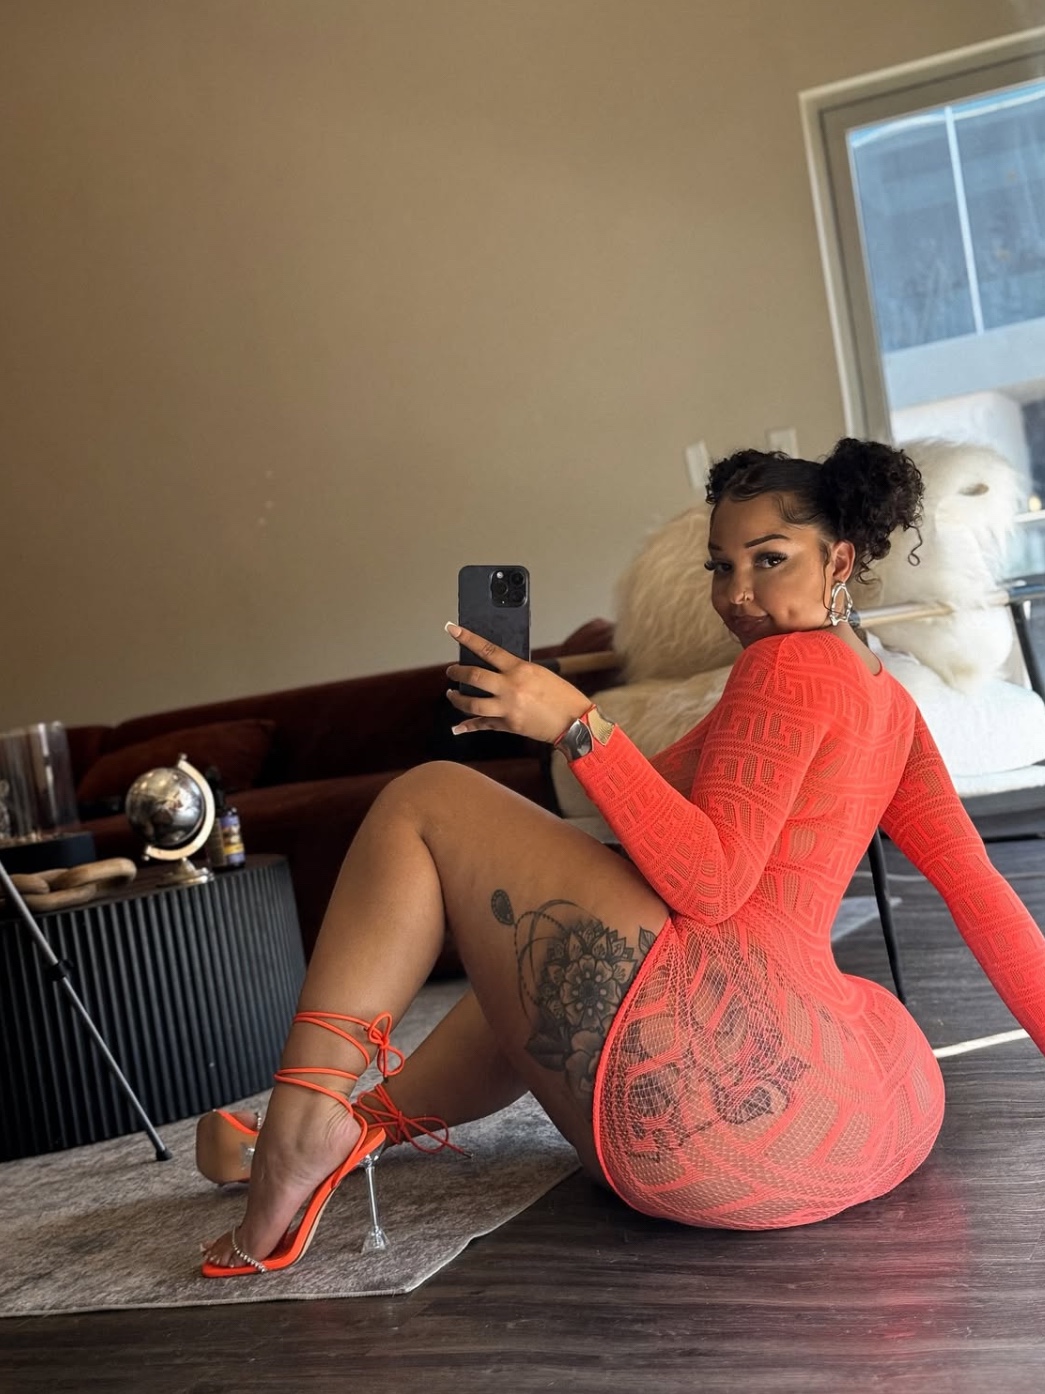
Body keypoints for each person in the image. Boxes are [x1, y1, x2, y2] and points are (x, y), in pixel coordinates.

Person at [200, 438, 1045, 1275]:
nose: (736, 593)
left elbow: (710, 884)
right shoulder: (888, 702)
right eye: (719, 566)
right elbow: (980, 893)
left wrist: (579, 726)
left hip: (707, 1108)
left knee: (424, 798)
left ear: (840, 561)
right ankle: (361, 1127)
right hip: (841, 1121)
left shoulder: (785, 667)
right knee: (544, 940)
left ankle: (300, 1130)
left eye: (769, 559)